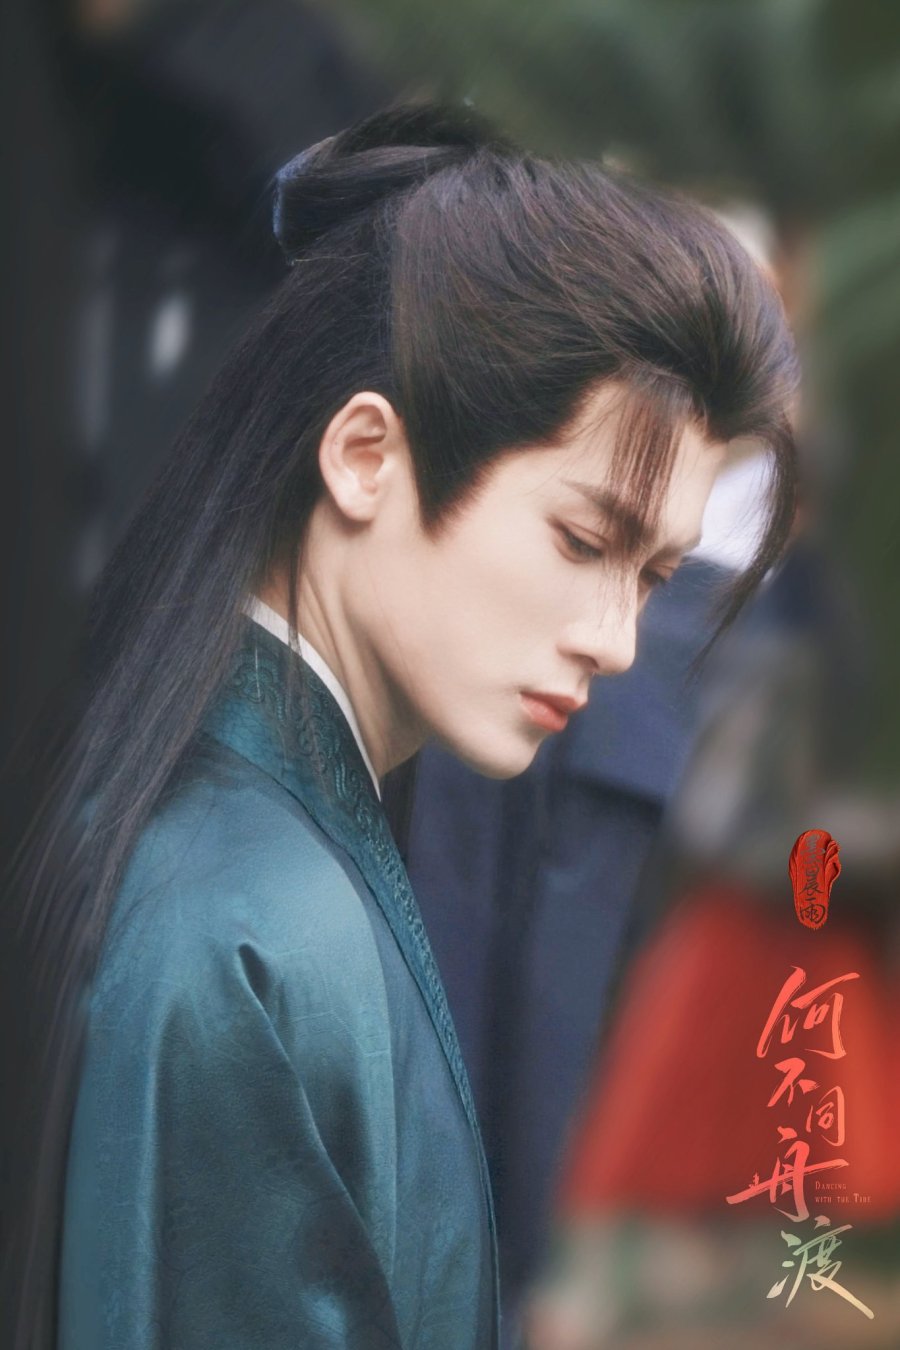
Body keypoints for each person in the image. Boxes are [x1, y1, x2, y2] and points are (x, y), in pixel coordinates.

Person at [3, 97, 799, 1349]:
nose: (616, 639)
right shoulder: (242, 929)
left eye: (652, 576)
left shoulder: (246, 862)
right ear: (366, 455)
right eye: (583, 539)